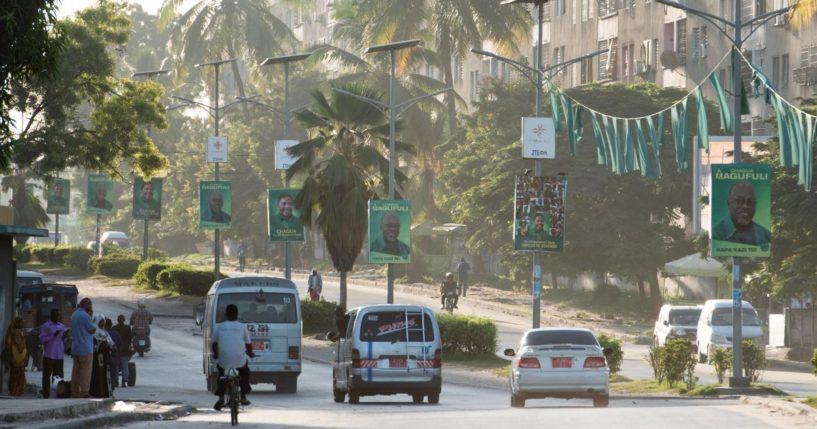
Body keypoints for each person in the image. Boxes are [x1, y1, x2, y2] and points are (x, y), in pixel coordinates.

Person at [212, 304, 255, 410]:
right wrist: (250, 353)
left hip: (224, 362)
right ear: (237, 314)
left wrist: (216, 355)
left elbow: (214, 344)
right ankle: (243, 396)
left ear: (226, 314)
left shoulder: (220, 327)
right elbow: (248, 345)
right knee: (245, 373)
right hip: (239, 362)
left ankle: (221, 398)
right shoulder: (242, 327)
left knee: (221, 374)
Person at [712, 180, 771, 247]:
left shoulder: (766, 236)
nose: (745, 206)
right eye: (739, 201)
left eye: (750, 202)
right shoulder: (716, 235)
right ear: (729, 203)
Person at [71, 297, 97, 398]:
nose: (91, 306)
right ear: (86, 305)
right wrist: (91, 315)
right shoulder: (85, 316)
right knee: (85, 372)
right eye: (90, 304)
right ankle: (84, 392)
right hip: (85, 348)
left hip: (76, 347)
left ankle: (74, 392)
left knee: (76, 372)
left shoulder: (75, 314)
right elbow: (92, 330)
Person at [39, 309, 66, 398]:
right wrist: (53, 336)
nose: (58, 317)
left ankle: (57, 394)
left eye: (59, 315)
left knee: (58, 377)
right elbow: (42, 339)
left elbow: (62, 339)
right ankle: (46, 394)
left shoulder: (62, 326)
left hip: (59, 356)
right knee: (46, 376)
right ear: (51, 315)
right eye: (56, 315)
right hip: (49, 355)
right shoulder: (46, 326)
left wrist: (65, 336)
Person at [89, 313, 113, 398]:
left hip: (105, 358)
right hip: (96, 358)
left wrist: (110, 346)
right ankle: (97, 392)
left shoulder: (105, 333)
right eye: (101, 322)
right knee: (97, 375)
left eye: (103, 322)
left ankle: (105, 393)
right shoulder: (94, 332)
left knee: (105, 375)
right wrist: (101, 345)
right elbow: (93, 345)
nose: (102, 324)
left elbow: (111, 343)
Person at [3, 317, 27, 396]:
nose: (23, 324)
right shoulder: (14, 332)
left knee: (19, 375)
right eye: (21, 323)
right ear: (17, 323)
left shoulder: (20, 332)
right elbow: (14, 345)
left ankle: (18, 392)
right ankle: (14, 392)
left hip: (20, 357)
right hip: (15, 357)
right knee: (15, 375)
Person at [111, 315, 132, 388]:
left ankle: (116, 381)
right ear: (124, 320)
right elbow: (130, 339)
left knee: (116, 366)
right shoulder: (127, 328)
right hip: (125, 349)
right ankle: (124, 381)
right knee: (125, 365)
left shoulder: (114, 328)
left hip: (117, 349)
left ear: (117, 320)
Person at [105, 318, 122, 391]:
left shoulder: (102, 333)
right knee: (113, 371)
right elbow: (120, 344)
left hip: (104, 357)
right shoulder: (115, 333)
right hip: (113, 356)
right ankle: (112, 386)